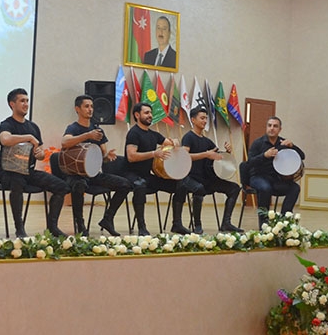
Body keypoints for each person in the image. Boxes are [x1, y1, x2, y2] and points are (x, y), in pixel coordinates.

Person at [0, 88, 70, 238]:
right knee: (17, 183)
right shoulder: (6, 124)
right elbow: (5, 140)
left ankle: (52, 227)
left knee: (62, 186)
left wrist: (40, 154)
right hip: (10, 172)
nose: (26, 104)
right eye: (22, 101)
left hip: (28, 172)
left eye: (27, 101)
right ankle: (19, 228)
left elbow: (41, 152)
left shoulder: (33, 126)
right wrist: (29, 137)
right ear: (12, 104)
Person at [61, 94, 131, 236]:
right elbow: (64, 142)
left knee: (125, 184)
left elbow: (102, 155)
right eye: (86, 106)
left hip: (94, 174)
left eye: (92, 106)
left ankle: (107, 219)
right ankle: (80, 223)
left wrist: (106, 157)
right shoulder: (73, 128)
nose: (90, 109)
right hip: (76, 175)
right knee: (79, 185)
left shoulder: (98, 131)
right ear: (77, 109)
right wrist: (87, 136)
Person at [125, 102, 192, 235]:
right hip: (131, 174)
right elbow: (131, 156)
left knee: (181, 185)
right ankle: (142, 227)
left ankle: (177, 224)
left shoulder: (153, 134)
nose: (150, 115)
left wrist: (175, 142)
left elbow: (170, 143)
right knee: (140, 185)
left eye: (150, 112)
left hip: (147, 175)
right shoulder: (133, 133)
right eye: (146, 113)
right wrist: (153, 153)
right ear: (137, 115)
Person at [180, 107, 243, 234]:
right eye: (202, 118)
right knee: (199, 189)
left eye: (206, 118)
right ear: (193, 120)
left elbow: (216, 157)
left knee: (234, 188)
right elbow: (184, 157)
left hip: (207, 179)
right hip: (191, 178)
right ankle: (197, 224)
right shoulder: (188, 137)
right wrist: (205, 154)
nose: (204, 121)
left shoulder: (207, 141)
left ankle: (226, 223)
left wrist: (227, 153)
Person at [247, 115, 305, 229]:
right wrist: (264, 155)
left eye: (275, 126)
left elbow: (302, 156)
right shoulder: (258, 143)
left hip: (275, 179)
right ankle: (264, 225)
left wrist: (292, 146)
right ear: (266, 127)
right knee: (265, 188)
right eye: (269, 125)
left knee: (294, 188)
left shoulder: (283, 143)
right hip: (257, 177)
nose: (272, 128)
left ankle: (284, 221)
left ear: (280, 129)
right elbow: (249, 163)